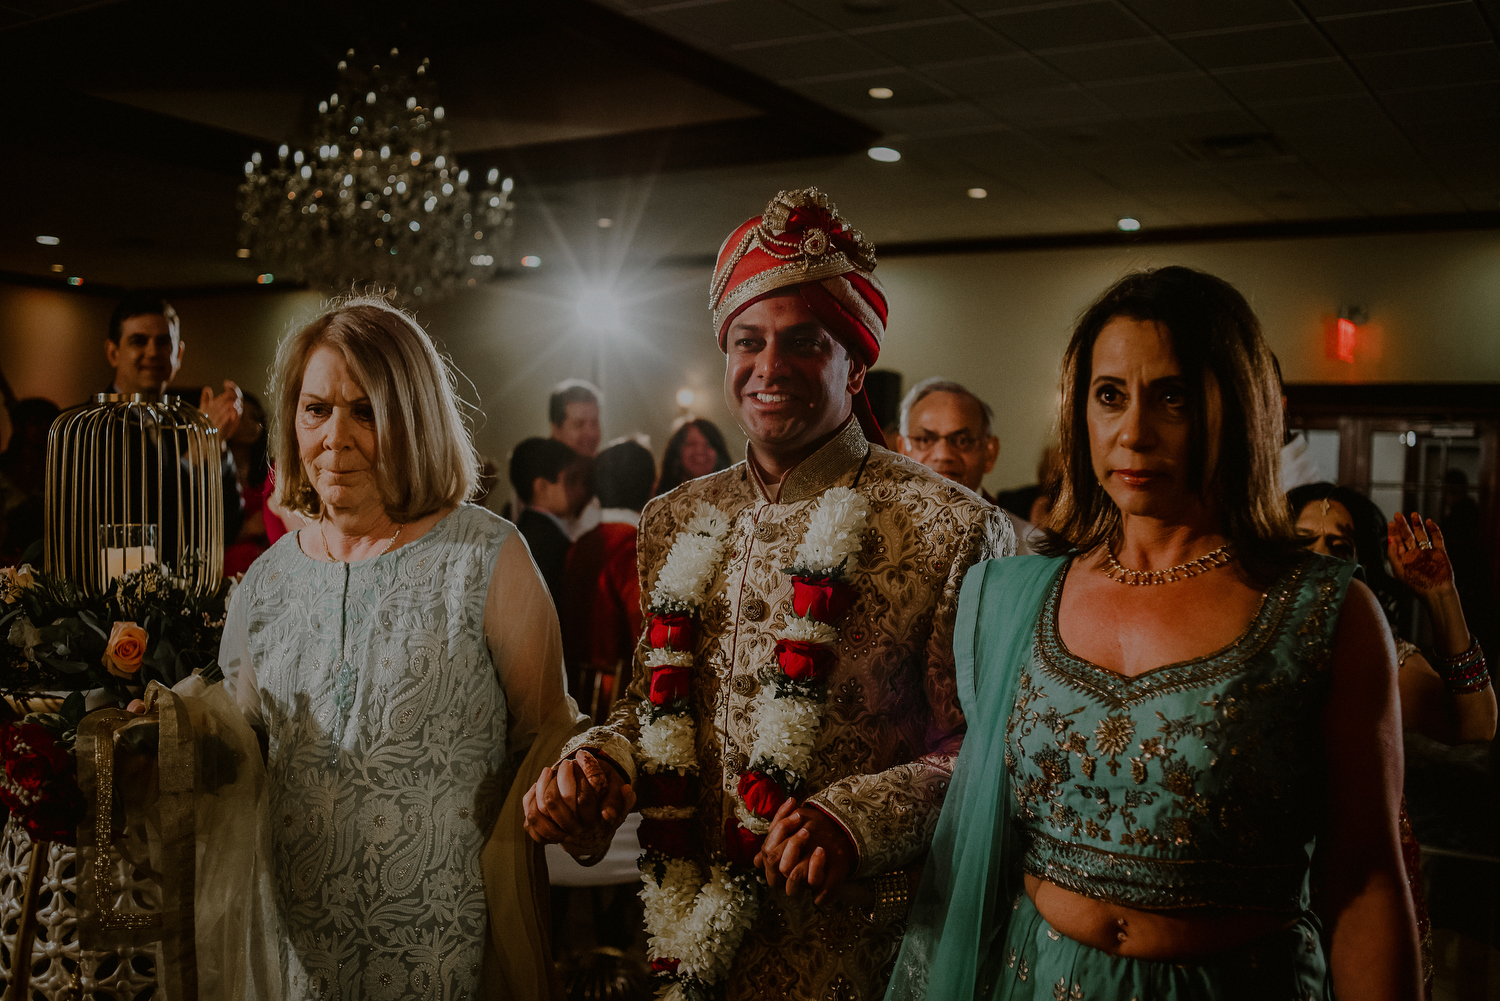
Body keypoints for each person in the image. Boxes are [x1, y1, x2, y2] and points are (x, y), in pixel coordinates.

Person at [525, 187, 1013, 1001]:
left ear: (854, 364)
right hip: (690, 949)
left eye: (804, 342)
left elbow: (984, 750)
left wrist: (856, 818)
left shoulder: (947, 524)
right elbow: (654, 709)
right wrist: (597, 767)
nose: (769, 367)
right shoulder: (675, 518)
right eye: (747, 341)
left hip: (861, 951)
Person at [889, 265, 1419, 1001]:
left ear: (1234, 407)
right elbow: (971, 817)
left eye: (1171, 396)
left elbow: (1364, 879)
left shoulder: (1323, 612)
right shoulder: (1014, 594)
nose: (1134, 431)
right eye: (1110, 396)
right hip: (1036, 978)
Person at [218, 296, 584, 1001]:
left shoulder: (486, 555)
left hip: (443, 946)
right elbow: (239, 758)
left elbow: (545, 735)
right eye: (316, 408)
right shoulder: (265, 582)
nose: (335, 437)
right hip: (297, 948)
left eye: (367, 411)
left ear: (413, 417)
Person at [1290, 482, 1495, 996]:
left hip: (1363, 883)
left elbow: (1477, 725)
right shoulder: (1235, 643)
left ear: (1360, 564)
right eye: (1303, 542)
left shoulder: (1379, 653)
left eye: (1340, 547)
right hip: (1270, 881)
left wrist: (1441, 597)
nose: (1322, 558)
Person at [104, 294, 245, 547]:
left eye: (163, 342)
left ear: (178, 353)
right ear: (113, 353)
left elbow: (228, 526)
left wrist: (216, 447)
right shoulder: (92, 427)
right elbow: (132, 520)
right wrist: (192, 460)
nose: (153, 352)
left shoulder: (186, 421)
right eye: (139, 341)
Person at [898, 377, 1035, 554]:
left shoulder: (1032, 550)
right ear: (901, 451)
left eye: (962, 441)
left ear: (989, 453)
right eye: (924, 440)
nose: (943, 455)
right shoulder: (871, 532)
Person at [509, 436, 587, 608]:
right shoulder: (549, 544)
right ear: (542, 487)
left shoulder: (520, 533)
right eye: (571, 480)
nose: (581, 490)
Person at [0, 398, 59, 564]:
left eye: (49, 423)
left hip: (49, 557)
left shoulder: (58, 467)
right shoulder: (5, 467)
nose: (44, 428)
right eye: (36, 422)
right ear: (20, 426)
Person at [549, 379, 604, 540]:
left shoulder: (603, 470)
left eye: (594, 423)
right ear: (555, 428)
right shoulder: (539, 477)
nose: (591, 433)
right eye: (579, 424)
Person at [224, 391, 271, 576]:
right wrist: (248, 528)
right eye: (243, 417)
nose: (252, 424)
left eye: (256, 418)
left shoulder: (271, 472)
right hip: (223, 563)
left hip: (264, 560)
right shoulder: (214, 470)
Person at [654, 417, 733, 496]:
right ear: (678, 451)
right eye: (692, 444)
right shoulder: (661, 504)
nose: (700, 451)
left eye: (709, 444)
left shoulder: (734, 497)